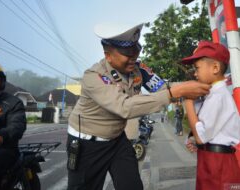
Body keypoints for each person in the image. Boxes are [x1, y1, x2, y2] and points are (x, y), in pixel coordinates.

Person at [66, 23, 210, 190]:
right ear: (108, 55)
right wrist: (174, 93)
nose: (133, 56)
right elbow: (124, 107)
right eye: (127, 53)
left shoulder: (138, 69)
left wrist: (196, 84)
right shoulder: (94, 76)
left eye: (136, 49)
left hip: (117, 140)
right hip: (87, 144)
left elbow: (163, 88)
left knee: (132, 185)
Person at [182, 41, 240, 190]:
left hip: (219, 164)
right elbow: (205, 130)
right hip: (211, 159)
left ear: (215, 68)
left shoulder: (218, 95)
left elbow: (202, 136)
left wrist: (187, 101)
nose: (195, 73)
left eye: (197, 68)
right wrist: (192, 138)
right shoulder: (213, 94)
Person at [0, 58, 26, 189]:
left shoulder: (13, 102)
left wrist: (1, 135)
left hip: (5, 147)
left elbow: (17, 124)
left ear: (1, 81)